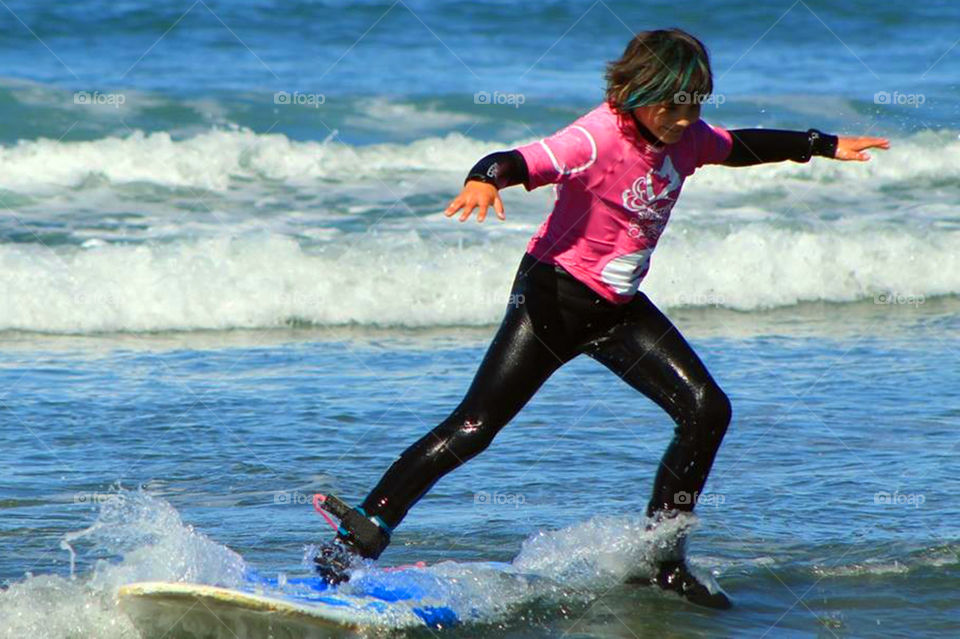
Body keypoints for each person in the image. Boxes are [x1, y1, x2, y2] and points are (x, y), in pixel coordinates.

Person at [313, 28, 889, 608]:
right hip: (551, 301)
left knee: (706, 409)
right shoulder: (595, 138)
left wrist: (819, 142)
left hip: (617, 311)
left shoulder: (685, 137)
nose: (686, 117)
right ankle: (354, 541)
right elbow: (519, 159)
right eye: (674, 104)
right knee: (475, 428)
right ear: (638, 91)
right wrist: (484, 179)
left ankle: (662, 560)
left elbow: (738, 145)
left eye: (696, 104)